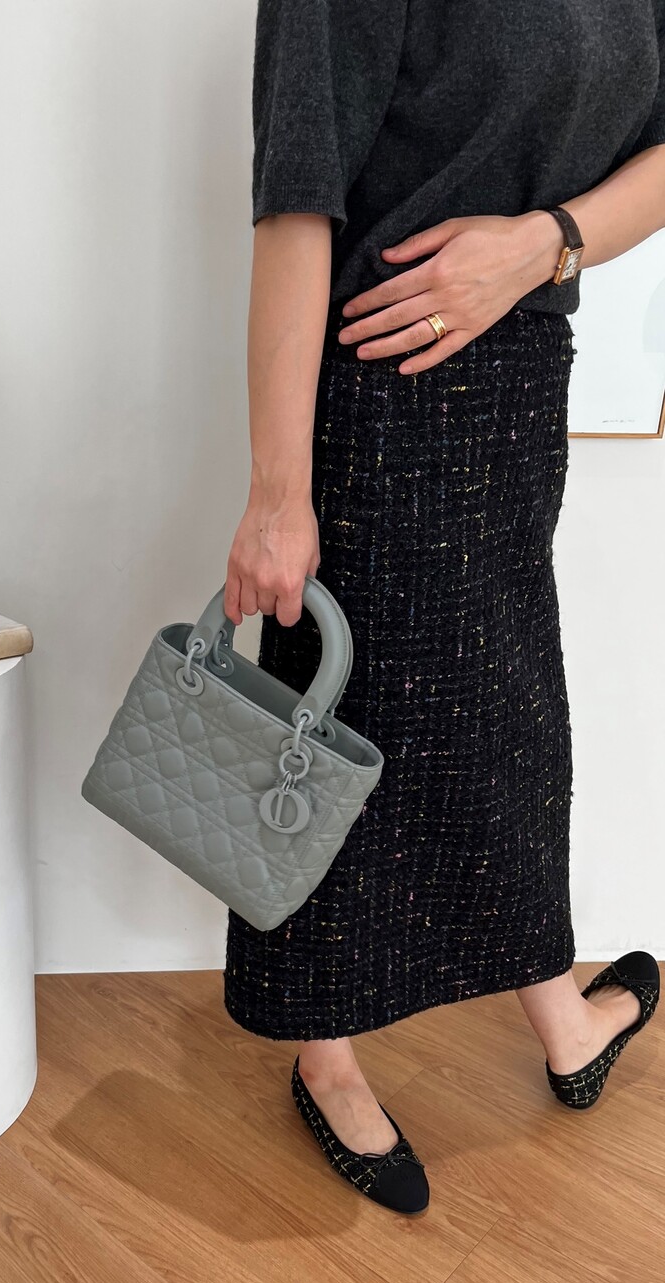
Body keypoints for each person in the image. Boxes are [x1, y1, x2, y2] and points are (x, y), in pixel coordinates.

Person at [222, 0, 665, 1215]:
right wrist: (277, 493)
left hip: (518, 386)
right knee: (330, 731)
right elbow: (296, 201)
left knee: (509, 722)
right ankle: (325, 1052)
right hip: (377, 388)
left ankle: (559, 1013)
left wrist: (545, 242)